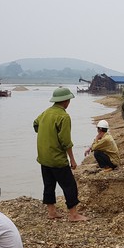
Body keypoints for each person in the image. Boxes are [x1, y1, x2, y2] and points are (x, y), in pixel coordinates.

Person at [33, 87, 88, 221]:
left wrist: (46, 133)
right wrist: (73, 160)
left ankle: (51, 212)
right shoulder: (64, 116)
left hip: (43, 156)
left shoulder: (46, 112)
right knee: (69, 185)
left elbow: (35, 124)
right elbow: (65, 142)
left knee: (49, 184)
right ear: (65, 101)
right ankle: (73, 215)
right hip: (57, 158)